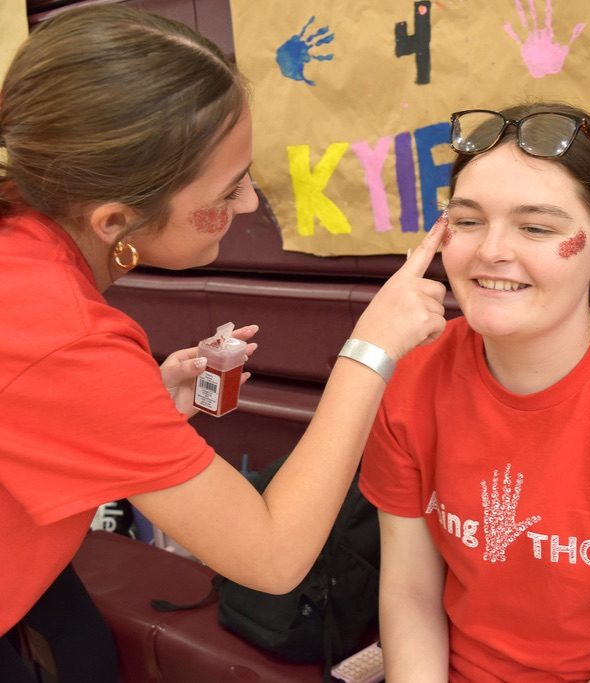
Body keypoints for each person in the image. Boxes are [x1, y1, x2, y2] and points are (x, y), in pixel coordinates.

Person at [0, 4, 448, 680]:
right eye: (226, 188)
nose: (245, 206)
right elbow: (271, 557)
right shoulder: (70, 337)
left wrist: (138, 408)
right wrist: (371, 347)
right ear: (117, 219)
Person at [359, 102, 590, 681]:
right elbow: (410, 595)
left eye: (536, 227)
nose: (490, 252)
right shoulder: (409, 374)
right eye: (468, 220)